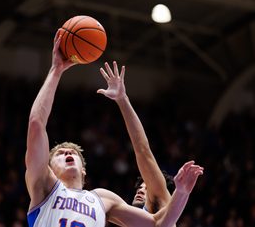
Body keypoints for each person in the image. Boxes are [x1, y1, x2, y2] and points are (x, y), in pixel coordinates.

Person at [25, 29, 204, 227]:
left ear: (84, 171)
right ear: (48, 167)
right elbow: (36, 124)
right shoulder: (44, 186)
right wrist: (56, 70)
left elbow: (158, 224)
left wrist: (181, 192)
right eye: (59, 154)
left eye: (72, 153)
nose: (67, 152)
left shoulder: (103, 199)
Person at [96, 61, 174, 213]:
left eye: (147, 188)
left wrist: (122, 99)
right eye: (140, 186)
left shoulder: (162, 207)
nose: (140, 190)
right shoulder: (129, 219)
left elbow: (142, 150)